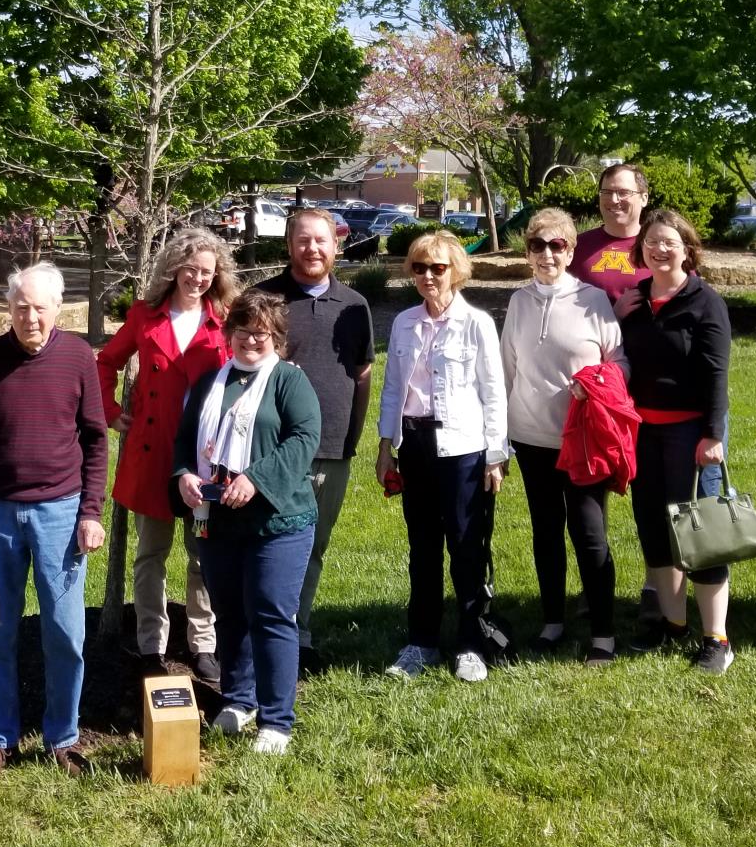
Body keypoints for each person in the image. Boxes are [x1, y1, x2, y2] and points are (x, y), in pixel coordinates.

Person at [0, 262, 108, 776]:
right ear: (9, 308)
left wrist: (90, 511)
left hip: (61, 513)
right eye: (21, 307)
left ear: (58, 309)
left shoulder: (79, 356)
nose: (30, 317)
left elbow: (95, 439)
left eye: (40, 308)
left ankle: (62, 737)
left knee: (65, 631)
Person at [172, 290, 322, 755]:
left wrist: (255, 480)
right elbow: (183, 442)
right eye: (242, 331)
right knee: (230, 613)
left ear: (275, 336)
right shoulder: (208, 384)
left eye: (260, 333)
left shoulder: (288, 382)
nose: (251, 341)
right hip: (216, 520)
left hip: (278, 521)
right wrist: (183, 477)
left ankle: (277, 720)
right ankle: (239, 699)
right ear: (229, 333)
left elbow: (304, 438)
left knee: (272, 613)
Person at [96, 226, 236, 683]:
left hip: (204, 457)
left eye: (206, 272)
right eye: (190, 269)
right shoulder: (145, 315)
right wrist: (111, 410)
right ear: (174, 269)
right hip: (153, 455)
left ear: (216, 276)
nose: (197, 278)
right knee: (151, 554)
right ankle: (151, 645)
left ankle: (204, 644)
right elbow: (105, 362)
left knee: (203, 556)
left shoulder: (225, 319)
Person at [375, 230, 509, 682]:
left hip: (464, 451)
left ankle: (471, 642)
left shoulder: (477, 324)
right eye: (419, 268)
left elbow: (494, 393)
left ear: (457, 272)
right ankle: (422, 642)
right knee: (423, 548)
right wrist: (384, 446)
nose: (429, 276)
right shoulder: (403, 323)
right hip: (414, 446)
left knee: (468, 547)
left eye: (438, 268)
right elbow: (393, 388)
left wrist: (495, 455)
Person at [251, 206, 374, 674]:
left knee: (312, 546)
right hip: (273, 451)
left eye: (321, 240)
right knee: (268, 543)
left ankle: (298, 635)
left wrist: (351, 437)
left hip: (331, 449)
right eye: (303, 240)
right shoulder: (264, 300)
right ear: (288, 245)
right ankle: (261, 633)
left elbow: (362, 375)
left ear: (336, 245)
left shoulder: (355, 306)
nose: (312, 249)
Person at [500, 208, 625, 665]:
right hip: (531, 438)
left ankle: (604, 634)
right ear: (528, 251)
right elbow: (505, 371)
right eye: (538, 245)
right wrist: (501, 436)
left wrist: (593, 382)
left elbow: (620, 363)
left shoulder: (592, 301)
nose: (548, 254)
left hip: (583, 441)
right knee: (546, 532)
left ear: (571, 251)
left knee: (590, 535)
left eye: (557, 246)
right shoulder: (518, 302)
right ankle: (552, 621)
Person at [617, 209, 735, 673]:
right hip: (643, 431)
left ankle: (716, 637)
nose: (660, 249)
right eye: (652, 242)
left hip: (692, 433)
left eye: (670, 242)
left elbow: (716, 373)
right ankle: (673, 623)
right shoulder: (634, 300)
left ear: (688, 248)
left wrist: (711, 434)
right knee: (655, 525)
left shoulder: (705, 302)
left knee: (702, 533)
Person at [570, 163, 649, 303]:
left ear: (644, 198)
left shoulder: (660, 247)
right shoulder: (576, 247)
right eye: (606, 192)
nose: (613, 200)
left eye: (623, 192)